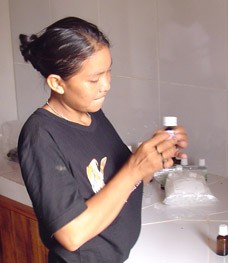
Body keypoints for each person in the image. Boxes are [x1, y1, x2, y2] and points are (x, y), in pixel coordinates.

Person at [18, 17, 188, 263]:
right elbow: (72, 233)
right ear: (57, 83)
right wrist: (134, 168)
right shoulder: (40, 136)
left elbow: (116, 182)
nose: (106, 85)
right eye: (94, 79)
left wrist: (154, 156)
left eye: (108, 71)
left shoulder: (92, 114)